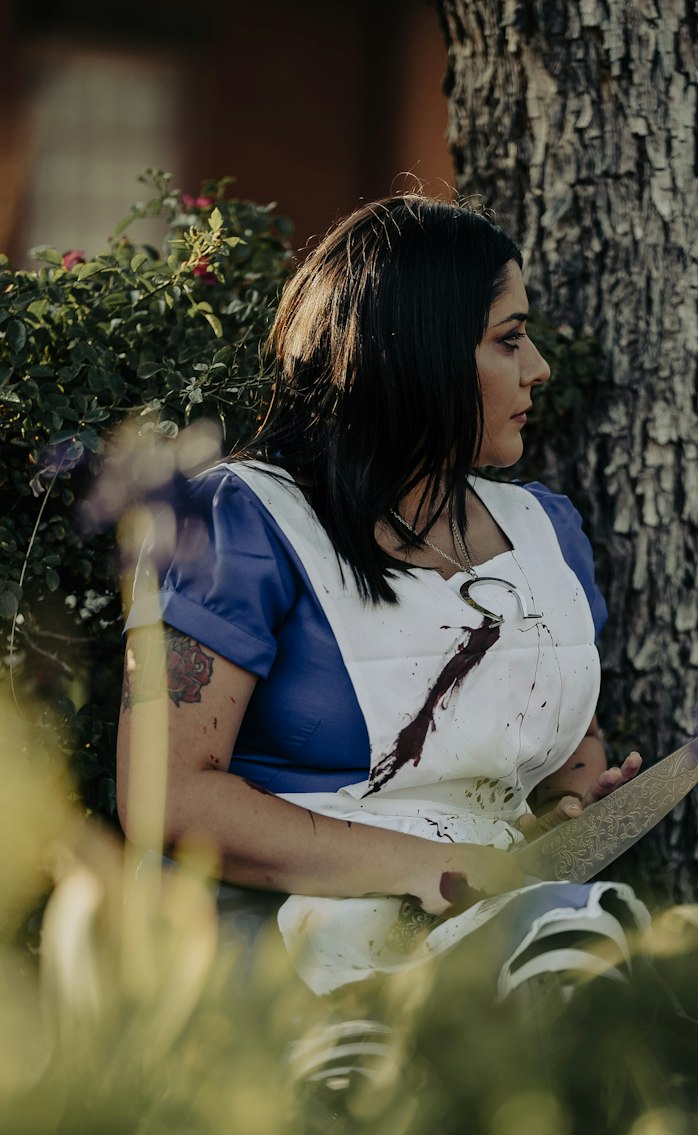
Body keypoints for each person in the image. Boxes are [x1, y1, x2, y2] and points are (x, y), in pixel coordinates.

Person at [117, 195, 647, 1015]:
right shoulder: (241, 523)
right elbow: (167, 794)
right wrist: (426, 870)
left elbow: (562, 759)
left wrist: (575, 808)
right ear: (419, 353)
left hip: (500, 917)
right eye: (509, 340)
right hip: (288, 943)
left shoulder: (548, 534)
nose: (537, 367)